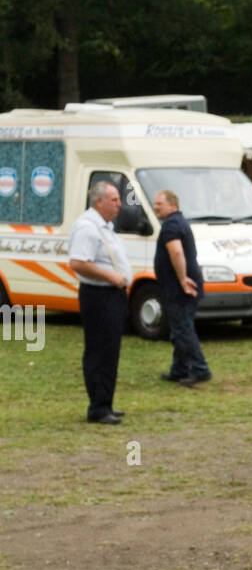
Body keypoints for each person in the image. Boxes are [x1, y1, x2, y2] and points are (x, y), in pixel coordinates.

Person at [68, 180, 132, 423]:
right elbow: (78, 262)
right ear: (99, 201)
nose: (119, 204)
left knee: (110, 350)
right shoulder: (88, 228)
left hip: (112, 294)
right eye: (114, 199)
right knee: (99, 350)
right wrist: (111, 276)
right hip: (99, 295)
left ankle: (105, 402)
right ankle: (98, 408)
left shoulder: (105, 226)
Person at [152, 189, 211, 385]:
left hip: (181, 287)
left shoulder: (171, 225)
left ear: (172, 205)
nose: (155, 207)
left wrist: (183, 279)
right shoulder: (178, 222)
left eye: (159, 204)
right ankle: (179, 368)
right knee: (179, 327)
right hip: (181, 285)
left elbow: (176, 253)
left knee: (183, 329)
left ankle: (199, 368)